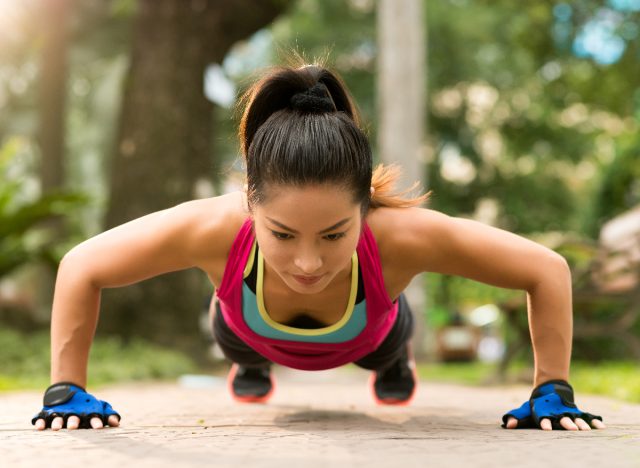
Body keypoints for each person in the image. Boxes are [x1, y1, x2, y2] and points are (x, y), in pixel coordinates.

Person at [32, 63, 606, 432]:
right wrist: (67, 388)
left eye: (335, 234)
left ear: (365, 210)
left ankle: (392, 365)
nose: (308, 263)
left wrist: (551, 388)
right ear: (249, 204)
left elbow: (546, 269)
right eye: (281, 234)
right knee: (236, 335)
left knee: (387, 344)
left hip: (370, 334)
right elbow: (82, 265)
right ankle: (251, 364)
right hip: (246, 330)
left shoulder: (402, 236)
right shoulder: (212, 229)